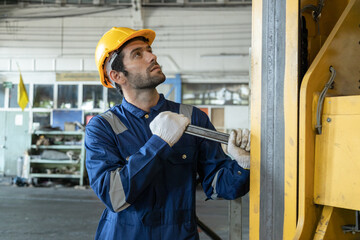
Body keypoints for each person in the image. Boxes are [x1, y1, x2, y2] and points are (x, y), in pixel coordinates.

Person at [85, 27, 250, 240]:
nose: (152, 56)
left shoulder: (192, 117)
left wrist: (242, 166)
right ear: (117, 76)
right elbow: (115, 196)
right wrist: (159, 143)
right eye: (138, 54)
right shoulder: (103, 127)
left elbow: (217, 186)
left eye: (149, 50)